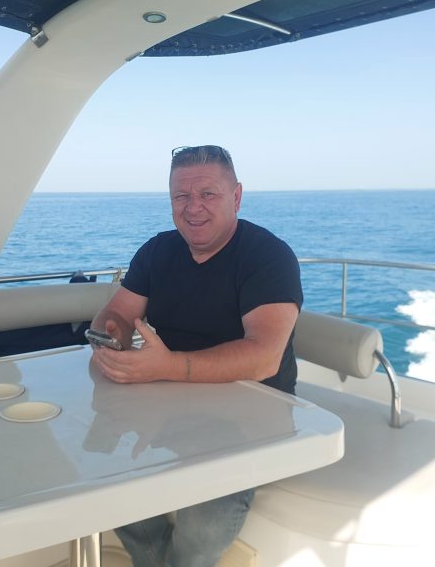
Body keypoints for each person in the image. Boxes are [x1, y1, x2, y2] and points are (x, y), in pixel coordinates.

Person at [89, 144, 303, 567]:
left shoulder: (268, 256)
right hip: (171, 406)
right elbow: (117, 313)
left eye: (207, 194)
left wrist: (167, 366)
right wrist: (111, 336)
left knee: (201, 529)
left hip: (252, 416)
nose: (193, 207)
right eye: (181, 196)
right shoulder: (158, 251)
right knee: (103, 475)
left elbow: (264, 357)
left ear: (236, 197)